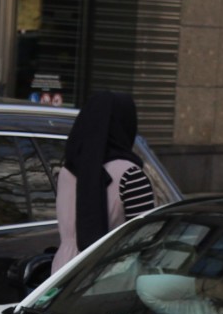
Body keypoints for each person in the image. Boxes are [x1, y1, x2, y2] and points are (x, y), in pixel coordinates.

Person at [52, 92, 156, 272]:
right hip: (112, 274)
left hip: (64, 272)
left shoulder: (67, 171)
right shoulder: (130, 174)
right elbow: (146, 237)